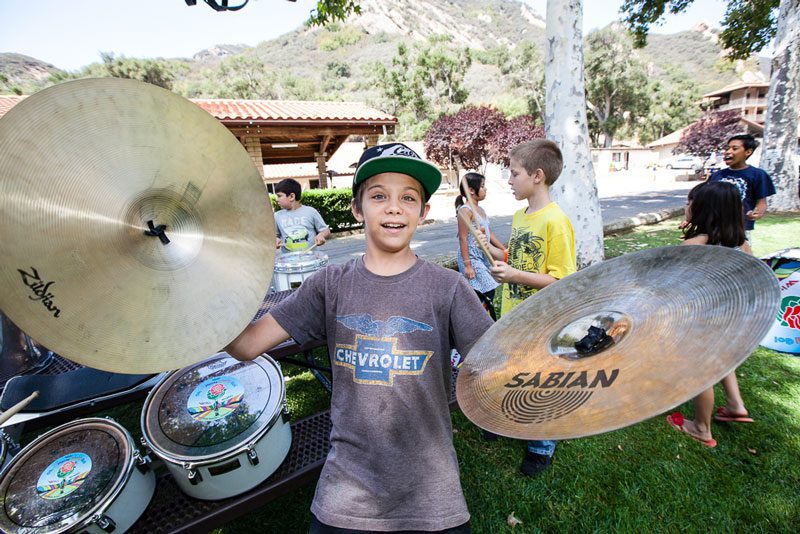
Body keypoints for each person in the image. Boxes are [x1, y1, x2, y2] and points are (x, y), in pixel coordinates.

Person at [226, 143, 493, 533]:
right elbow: (246, 345)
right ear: (357, 208)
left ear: (424, 212)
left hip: (431, 492)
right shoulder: (330, 284)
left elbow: (497, 368)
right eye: (378, 196)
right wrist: (208, 288)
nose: (394, 207)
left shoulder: (448, 287)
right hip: (347, 493)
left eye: (408, 197)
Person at [482, 139, 576, 476]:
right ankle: (509, 421)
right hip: (513, 313)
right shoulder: (521, 216)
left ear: (537, 176)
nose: (509, 180)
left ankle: (542, 444)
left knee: (540, 381)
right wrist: (495, 253)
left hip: (542, 320)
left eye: (514, 173)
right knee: (512, 372)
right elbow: (518, 257)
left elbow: (562, 279)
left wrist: (515, 274)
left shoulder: (556, 221)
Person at [666, 181, 754, 448]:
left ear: (703, 209)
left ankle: (701, 427)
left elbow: (670, 285)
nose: (687, 205)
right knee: (721, 357)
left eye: (691, 201)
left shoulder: (694, 245)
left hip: (702, 319)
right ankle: (735, 404)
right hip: (733, 316)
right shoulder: (741, 244)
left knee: (701, 371)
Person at [707, 134, 775, 243]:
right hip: (713, 227)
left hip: (740, 228)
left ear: (748, 152)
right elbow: (705, 200)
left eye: (734, 148)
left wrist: (757, 213)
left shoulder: (758, 175)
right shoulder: (716, 175)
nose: (728, 151)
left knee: (738, 257)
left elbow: (761, 202)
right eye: (727, 148)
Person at [455, 172, 504, 306]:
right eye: (482, 186)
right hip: (471, 257)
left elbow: (490, 233)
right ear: (471, 190)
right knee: (485, 291)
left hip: (482, 255)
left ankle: (486, 316)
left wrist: (503, 249)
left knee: (490, 290)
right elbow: (463, 239)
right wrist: (467, 265)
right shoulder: (465, 211)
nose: (485, 189)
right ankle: (481, 318)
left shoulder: (480, 209)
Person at [274, 178, 331, 253]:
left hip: (311, 259)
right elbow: (274, 236)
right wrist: (275, 240)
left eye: (279, 196)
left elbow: (326, 230)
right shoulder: (277, 216)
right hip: (289, 260)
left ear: (291, 196)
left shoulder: (310, 212)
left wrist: (321, 235)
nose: (277, 199)